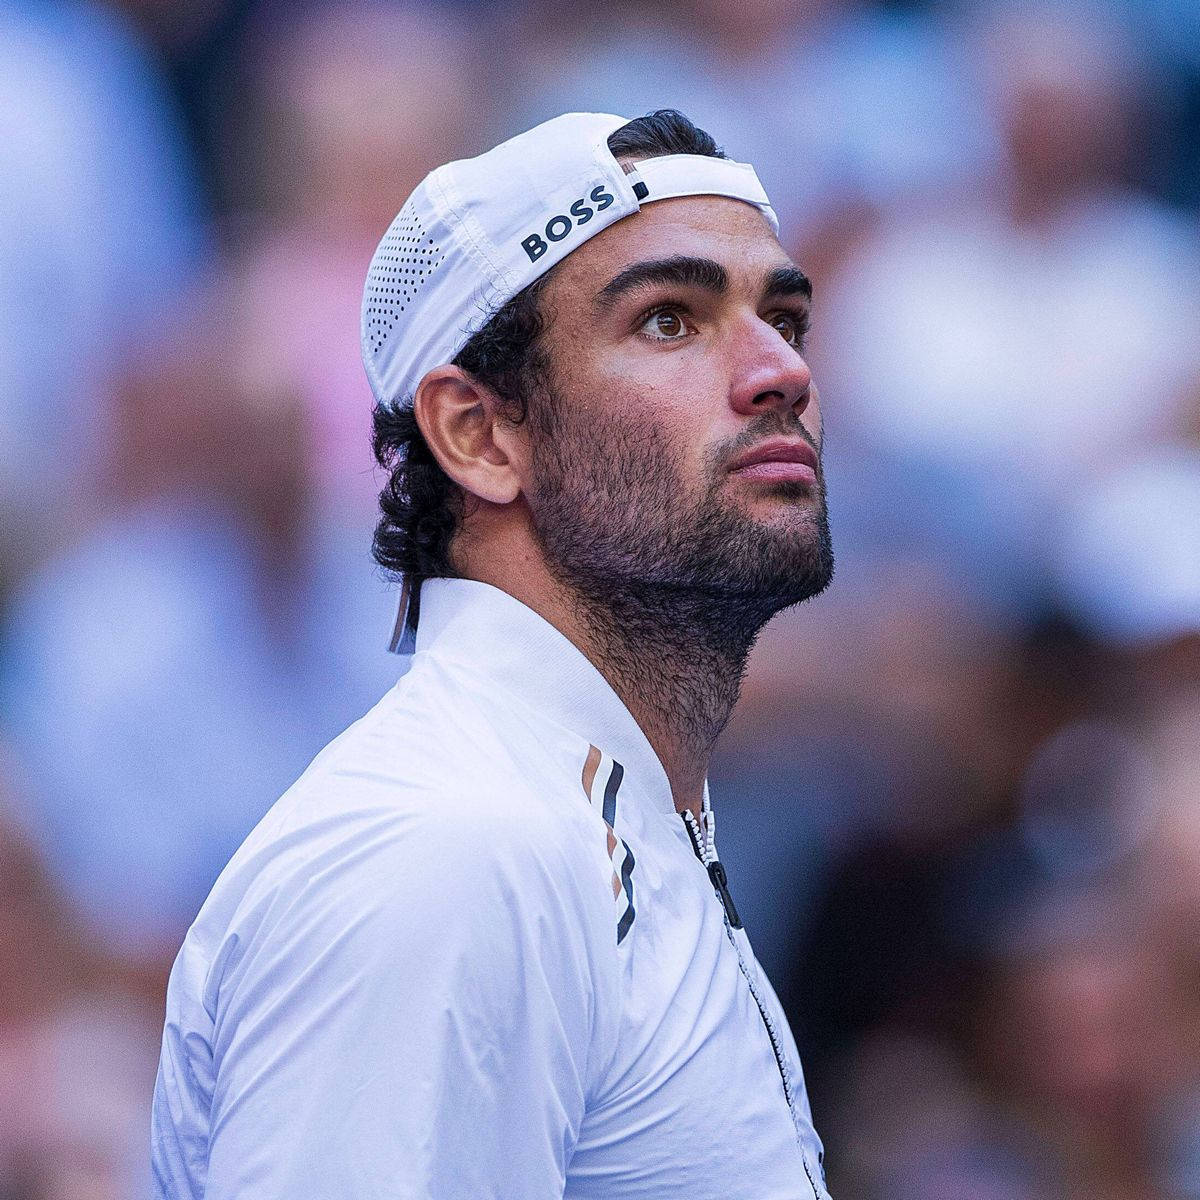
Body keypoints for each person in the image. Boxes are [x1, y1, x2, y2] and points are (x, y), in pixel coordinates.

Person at [151, 109, 834, 1198]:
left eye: (785, 316)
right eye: (670, 319)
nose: (780, 372)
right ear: (479, 433)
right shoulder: (452, 851)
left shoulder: (578, 820)